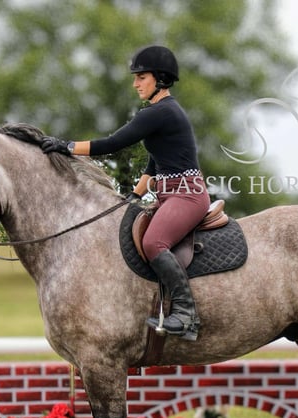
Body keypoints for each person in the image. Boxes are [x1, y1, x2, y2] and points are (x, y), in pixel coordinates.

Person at [41, 45, 210, 342]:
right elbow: (155, 163)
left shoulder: (160, 112)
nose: (135, 84)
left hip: (187, 195)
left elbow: (112, 143)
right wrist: (134, 195)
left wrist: (66, 146)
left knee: (154, 242)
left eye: (141, 77)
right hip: (170, 195)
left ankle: (186, 314)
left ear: (160, 78)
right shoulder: (162, 113)